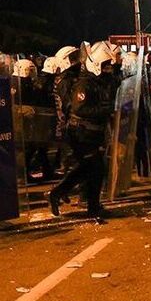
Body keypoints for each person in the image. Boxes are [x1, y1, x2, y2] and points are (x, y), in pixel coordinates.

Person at [46, 44, 117, 219]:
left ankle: (62, 195)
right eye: (105, 66)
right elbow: (79, 109)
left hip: (92, 133)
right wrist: (105, 110)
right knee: (94, 168)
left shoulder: (98, 82)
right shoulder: (85, 84)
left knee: (90, 169)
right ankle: (84, 204)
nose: (108, 69)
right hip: (82, 134)